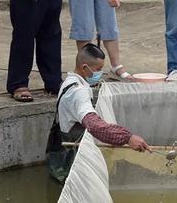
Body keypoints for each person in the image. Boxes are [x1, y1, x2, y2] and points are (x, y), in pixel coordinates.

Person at [48, 43, 150, 182]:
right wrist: (128, 138)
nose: (100, 73)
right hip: (72, 160)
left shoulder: (68, 82)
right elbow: (94, 125)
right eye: (99, 69)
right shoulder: (79, 92)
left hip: (61, 150)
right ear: (85, 67)